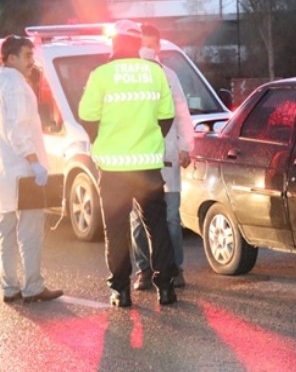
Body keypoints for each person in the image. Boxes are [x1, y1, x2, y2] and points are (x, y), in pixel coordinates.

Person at [78, 20, 178, 307]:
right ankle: (166, 287)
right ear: (138, 44)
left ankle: (121, 291)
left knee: (116, 228)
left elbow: (87, 115)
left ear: (114, 43)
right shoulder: (155, 72)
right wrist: (149, 140)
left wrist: (101, 139)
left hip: (112, 168)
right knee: (157, 225)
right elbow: (167, 116)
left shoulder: (100, 75)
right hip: (147, 166)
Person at [0, 35, 63, 303]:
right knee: (30, 232)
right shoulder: (14, 84)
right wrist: (34, 162)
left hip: (5, 172)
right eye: (27, 56)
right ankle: (33, 286)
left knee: (7, 231)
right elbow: (17, 129)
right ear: (11, 57)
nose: (32, 62)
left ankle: (10, 287)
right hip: (23, 172)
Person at [131, 23, 194, 291]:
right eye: (142, 44)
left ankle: (174, 268)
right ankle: (144, 269)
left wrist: (186, 146)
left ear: (158, 47)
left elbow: (181, 112)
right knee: (138, 218)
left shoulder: (168, 76)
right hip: (136, 159)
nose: (147, 50)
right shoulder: (129, 78)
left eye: (151, 45)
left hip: (165, 156)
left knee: (170, 216)